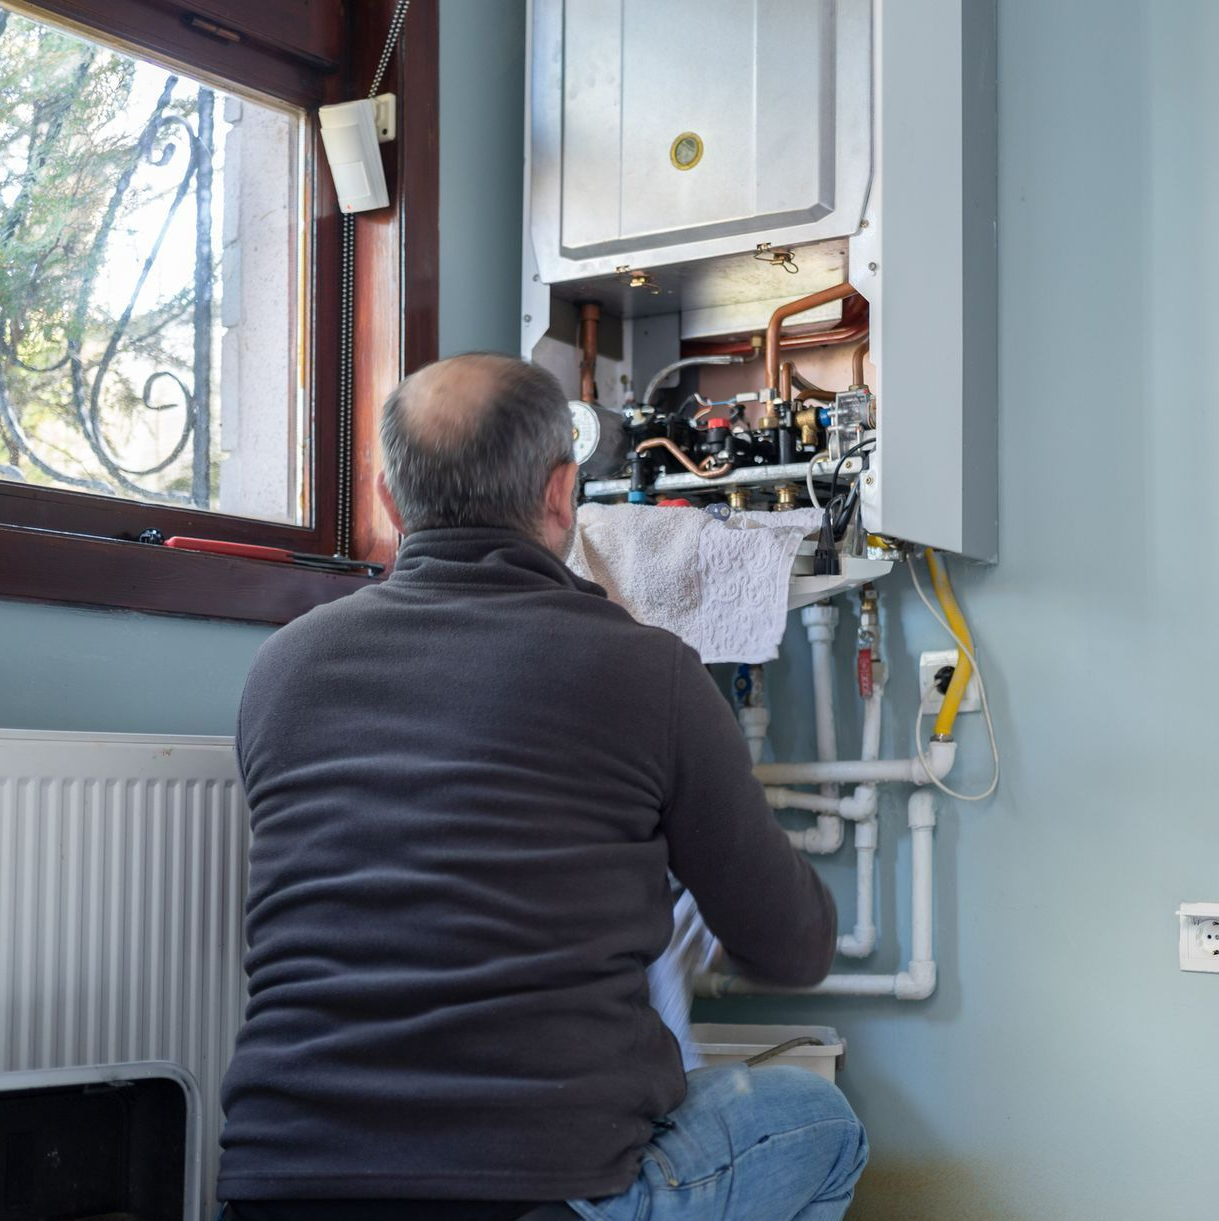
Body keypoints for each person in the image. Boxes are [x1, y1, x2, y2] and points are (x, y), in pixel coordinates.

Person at [217, 353, 868, 1221]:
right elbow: (791, 949)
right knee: (819, 1124)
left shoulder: (281, 668)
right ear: (564, 493)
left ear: (387, 500)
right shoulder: (648, 671)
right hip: (527, 1197)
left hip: (278, 1190)